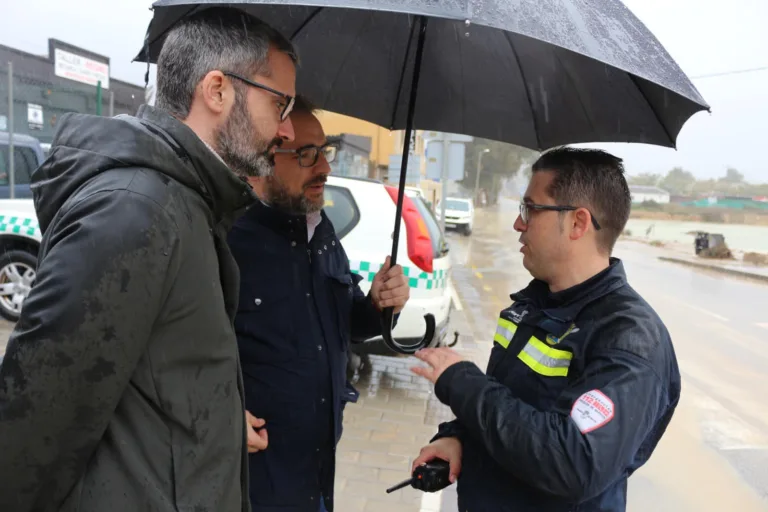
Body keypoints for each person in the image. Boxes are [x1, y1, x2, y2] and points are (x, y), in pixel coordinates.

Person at [0, 8, 297, 512]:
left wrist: (221, 421)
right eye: (281, 104)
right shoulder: (136, 211)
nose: (287, 131)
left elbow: (160, 382)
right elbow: (33, 435)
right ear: (218, 90)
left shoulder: (190, 206)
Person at [410, 148, 681, 512]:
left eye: (531, 209)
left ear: (577, 223)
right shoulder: (531, 306)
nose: (518, 224)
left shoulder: (629, 339)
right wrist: (458, 438)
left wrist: (462, 382)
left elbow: (573, 463)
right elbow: (512, 407)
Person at [227, 96, 411, 512]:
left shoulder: (318, 228)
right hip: (251, 485)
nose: (325, 168)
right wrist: (215, 416)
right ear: (263, 156)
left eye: (324, 151)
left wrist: (379, 307)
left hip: (316, 475)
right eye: (307, 154)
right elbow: (171, 355)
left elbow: (340, 323)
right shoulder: (225, 236)